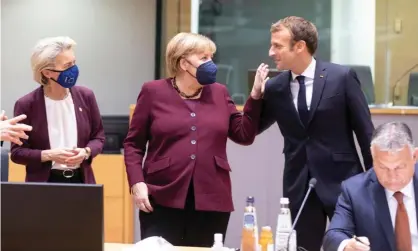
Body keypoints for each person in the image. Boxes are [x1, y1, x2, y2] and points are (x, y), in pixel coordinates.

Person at [123, 32, 267, 247]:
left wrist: (255, 97)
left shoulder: (219, 92)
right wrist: (137, 182)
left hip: (211, 196)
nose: (211, 64)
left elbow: (244, 135)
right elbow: (133, 144)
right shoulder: (153, 92)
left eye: (211, 57)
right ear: (183, 63)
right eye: (204, 58)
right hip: (162, 195)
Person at [255, 16, 375, 251]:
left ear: (299, 46)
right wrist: (255, 97)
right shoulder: (275, 87)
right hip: (299, 186)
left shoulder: (341, 78)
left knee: (353, 247)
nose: (271, 52)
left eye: (277, 46)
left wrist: (374, 182)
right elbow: (252, 129)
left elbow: (366, 133)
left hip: (344, 183)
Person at [10, 36, 105, 184]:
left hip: (82, 180)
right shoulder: (27, 104)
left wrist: (86, 152)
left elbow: (98, 137)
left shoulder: (86, 96)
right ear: (47, 73)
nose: (74, 69)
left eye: (74, 63)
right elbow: (17, 153)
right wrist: (48, 155)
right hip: (44, 184)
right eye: (67, 66)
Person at [323, 122, 418, 251]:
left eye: (399, 167)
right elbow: (333, 236)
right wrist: (347, 245)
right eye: (383, 167)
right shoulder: (355, 190)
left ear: (414, 156)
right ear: (373, 158)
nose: (392, 176)